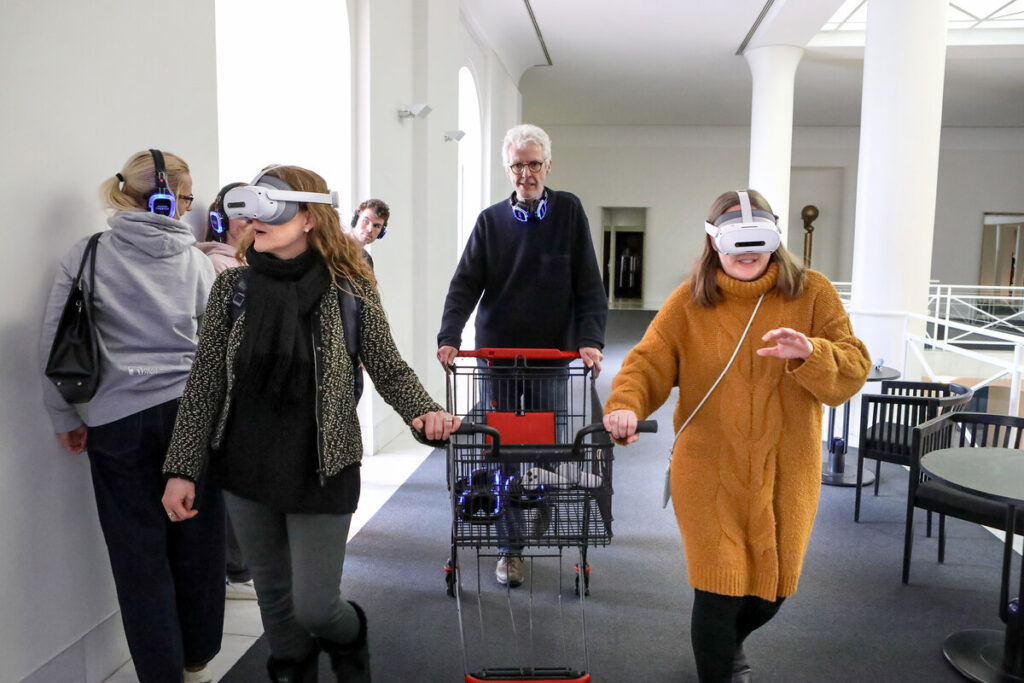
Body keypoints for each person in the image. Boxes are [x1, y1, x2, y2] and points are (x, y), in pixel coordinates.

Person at [161, 165, 460, 683]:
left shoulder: (350, 287)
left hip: (323, 465)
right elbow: (205, 383)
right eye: (253, 206)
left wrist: (424, 412)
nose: (256, 219)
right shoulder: (232, 288)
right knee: (276, 606)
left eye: (273, 206)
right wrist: (182, 468)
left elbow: (387, 364)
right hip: (245, 466)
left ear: (308, 218)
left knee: (317, 607)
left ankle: (351, 639)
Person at [602, 189, 871, 682]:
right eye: (735, 243)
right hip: (708, 469)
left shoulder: (813, 293)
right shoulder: (689, 301)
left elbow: (853, 369)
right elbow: (647, 362)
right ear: (713, 242)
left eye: (758, 242)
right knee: (719, 591)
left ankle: (727, 648)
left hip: (786, 472)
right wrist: (624, 404)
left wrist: (811, 353)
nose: (747, 254)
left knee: (771, 594)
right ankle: (720, 664)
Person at [40, 149, 223, 683]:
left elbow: (55, 344)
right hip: (190, 418)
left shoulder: (88, 254)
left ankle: (161, 674)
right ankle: (195, 661)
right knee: (198, 543)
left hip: (116, 422)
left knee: (137, 557)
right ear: (163, 199)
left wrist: (64, 417)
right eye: (185, 198)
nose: (187, 208)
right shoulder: (196, 262)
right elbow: (216, 352)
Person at [436, 123, 608, 588]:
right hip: (499, 359)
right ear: (507, 169)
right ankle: (510, 550)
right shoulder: (490, 221)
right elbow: (465, 283)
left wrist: (591, 339)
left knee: (544, 447)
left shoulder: (568, 212)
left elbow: (589, 284)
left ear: (548, 166)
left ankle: (538, 499)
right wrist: (449, 335)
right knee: (506, 451)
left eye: (533, 164)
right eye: (517, 165)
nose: (525, 174)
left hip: (552, 357)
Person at [194, 181, 260, 600]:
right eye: (240, 215)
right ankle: (235, 569)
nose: (249, 222)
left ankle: (240, 567)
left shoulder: (251, 263)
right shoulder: (215, 265)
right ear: (220, 218)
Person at [348, 198, 390, 268]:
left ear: (381, 232)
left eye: (376, 226)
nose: (370, 229)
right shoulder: (334, 247)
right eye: (366, 221)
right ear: (355, 220)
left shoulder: (368, 260)